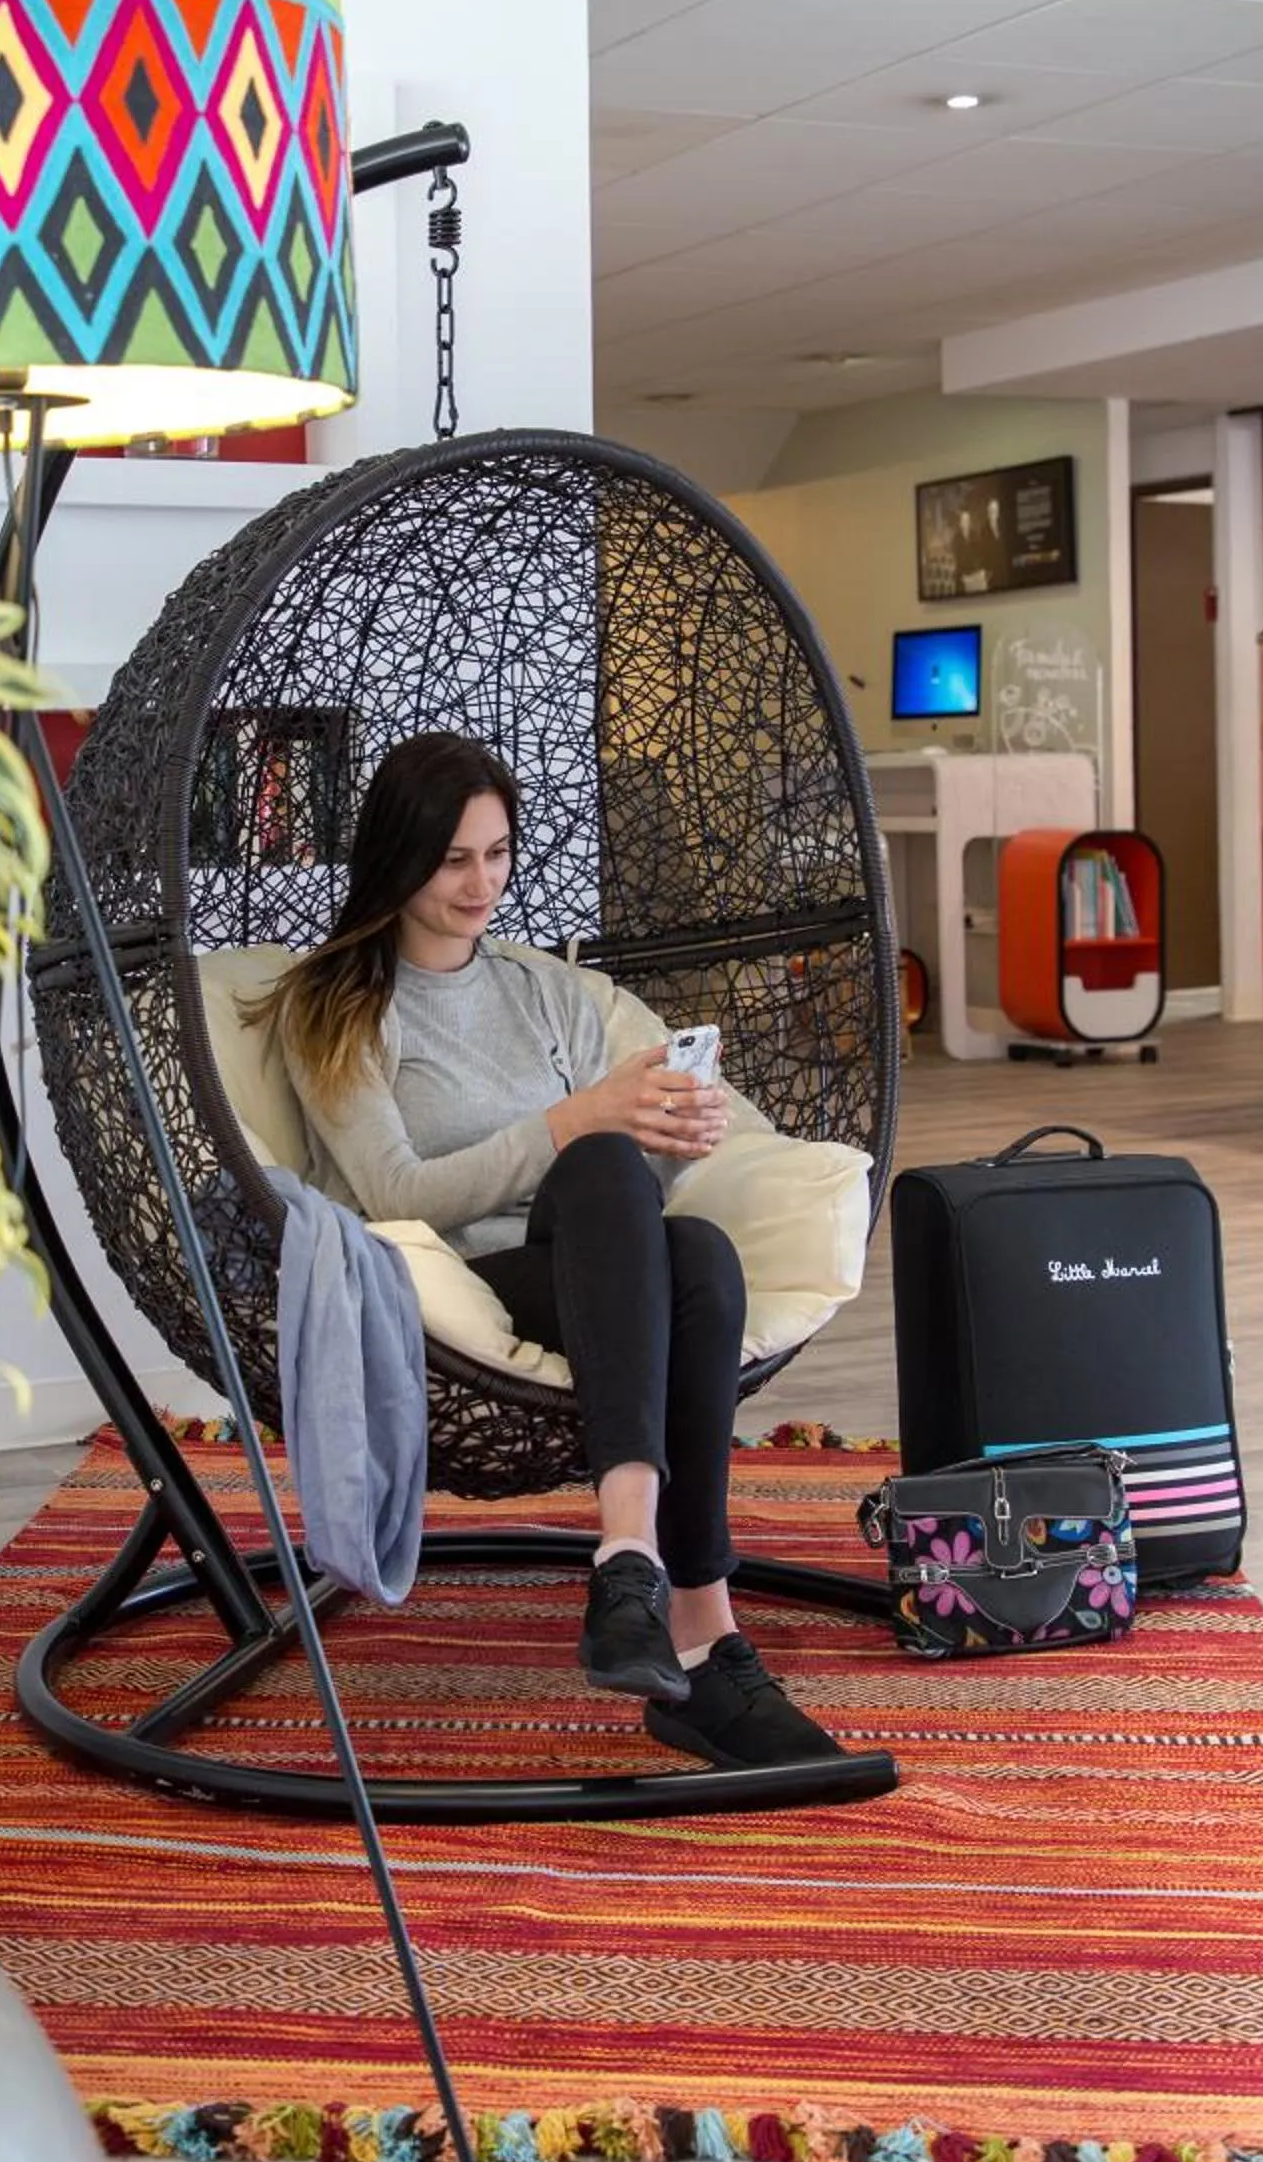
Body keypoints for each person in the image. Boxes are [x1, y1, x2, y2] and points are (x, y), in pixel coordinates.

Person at [249, 730, 851, 1771]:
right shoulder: (337, 1004)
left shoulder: (540, 990)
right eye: (452, 860)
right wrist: (579, 1123)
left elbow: (623, 1201)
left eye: (496, 853)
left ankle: (671, 1603)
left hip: (593, 1266)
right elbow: (397, 1192)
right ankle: (675, 1615)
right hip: (462, 1282)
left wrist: (667, 1138)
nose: (481, 883)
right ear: (397, 857)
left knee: (700, 1251)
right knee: (607, 1166)